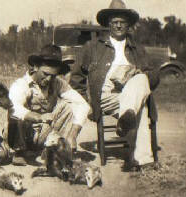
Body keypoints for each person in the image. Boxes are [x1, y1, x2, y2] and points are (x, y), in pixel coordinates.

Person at [72, 0, 160, 170]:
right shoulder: (93, 47)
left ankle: (127, 117)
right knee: (140, 104)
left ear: (128, 25)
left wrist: (138, 73)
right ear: (108, 25)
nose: (119, 26)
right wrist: (85, 102)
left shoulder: (137, 48)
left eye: (123, 22)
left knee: (141, 80)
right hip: (106, 95)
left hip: (132, 92)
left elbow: (154, 77)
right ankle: (142, 158)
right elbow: (76, 78)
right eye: (115, 22)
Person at [9, 45, 90, 164]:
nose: (48, 79)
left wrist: (73, 135)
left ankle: (53, 149)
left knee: (69, 106)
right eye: (45, 74)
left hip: (43, 134)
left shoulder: (58, 83)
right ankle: (20, 153)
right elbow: (13, 108)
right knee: (16, 114)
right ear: (35, 67)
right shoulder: (22, 84)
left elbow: (83, 105)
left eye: (53, 76)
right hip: (22, 135)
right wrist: (38, 117)